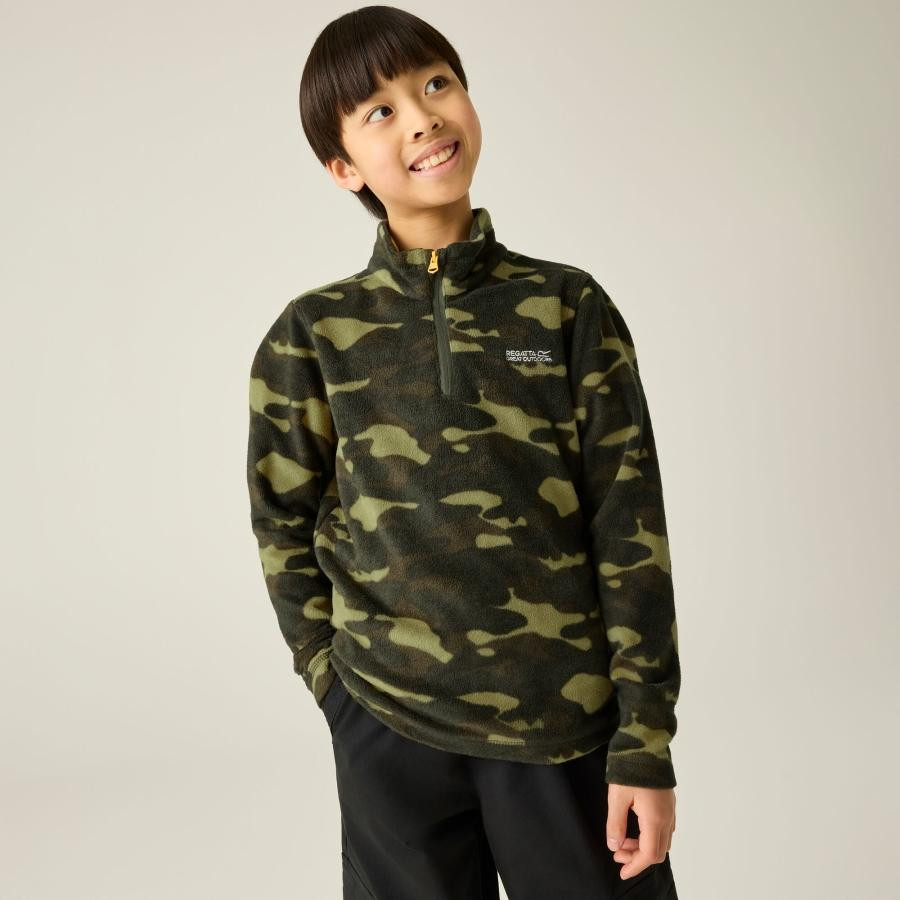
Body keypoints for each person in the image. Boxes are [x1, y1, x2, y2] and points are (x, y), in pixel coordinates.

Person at [246, 6, 681, 898]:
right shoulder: (314, 334)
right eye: (380, 111)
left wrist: (644, 737)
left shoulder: (567, 307)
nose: (421, 118)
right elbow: (282, 521)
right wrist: (333, 682)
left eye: (436, 84)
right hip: (387, 720)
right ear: (341, 166)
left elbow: (629, 523)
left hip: (565, 726)